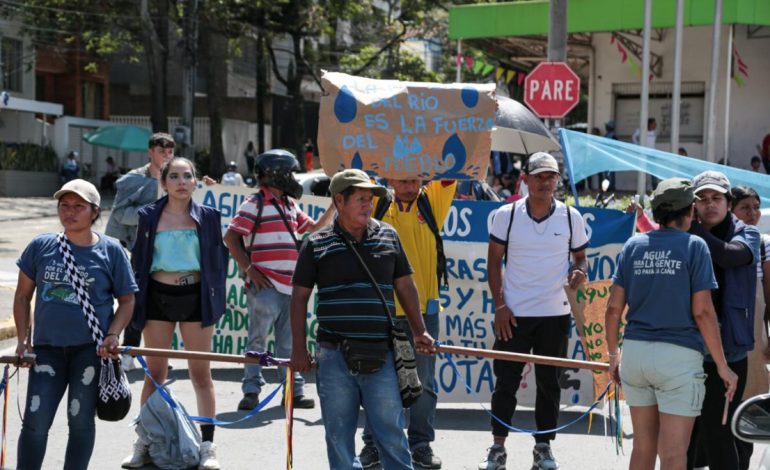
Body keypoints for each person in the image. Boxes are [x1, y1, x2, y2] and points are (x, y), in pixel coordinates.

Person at [290, 169, 437, 470]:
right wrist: (297, 349)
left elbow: (405, 285)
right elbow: (299, 297)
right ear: (339, 200)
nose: (368, 205)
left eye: (370, 199)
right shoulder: (316, 243)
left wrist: (420, 331)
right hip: (332, 355)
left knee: (392, 434)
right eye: (361, 199)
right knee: (338, 436)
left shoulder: (388, 235)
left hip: (381, 353)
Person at [606, 177, 738, 470]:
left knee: (642, 448)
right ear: (691, 210)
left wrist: (613, 357)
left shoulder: (632, 246)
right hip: (678, 359)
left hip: (635, 355)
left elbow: (614, 308)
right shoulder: (695, 246)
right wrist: (722, 365)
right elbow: (703, 313)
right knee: (674, 454)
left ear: (655, 213)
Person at [14, 179, 138, 470]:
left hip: (90, 352)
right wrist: (22, 340)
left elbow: (128, 301)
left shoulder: (112, 251)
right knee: (35, 421)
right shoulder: (40, 246)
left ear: (95, 212)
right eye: (64, 206)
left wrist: (113, 335)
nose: (69, 212)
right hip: (46, 351)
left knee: (80, 421)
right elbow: (22, 297)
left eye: (79, 207)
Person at [480, 152, 589, 470]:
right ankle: (497, 447)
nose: (545, 182)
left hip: (556, 315)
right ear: (524, 179)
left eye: (551, 176)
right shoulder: (506, 214)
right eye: (539, 176)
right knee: (505, 382)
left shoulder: (571, 217)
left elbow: (580, 257)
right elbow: (493, 263)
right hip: (513, 314)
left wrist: (579, 270)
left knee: (550, 383)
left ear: (558, 181)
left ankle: (544, 447)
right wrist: (500, 305)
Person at [122, 157, 228, 470]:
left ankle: (207, 447)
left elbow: (221, 257)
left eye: (187, 176)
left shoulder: (209, 217)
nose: (181, 181)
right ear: (164, 182)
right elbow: (139, 261)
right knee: (155, 375)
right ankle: (144, 442)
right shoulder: (148, 215)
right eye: (174, 176)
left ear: (196, 181)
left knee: (200, 374)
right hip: (157, 298)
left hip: (196, 298)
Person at [223, 150, 336, 411]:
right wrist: (249, 268)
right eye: (291, 173)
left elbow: (314, 228)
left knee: (290, 341)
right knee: (257, 340)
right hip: (267, 285)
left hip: (292, 286)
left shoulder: (289, 204)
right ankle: (251, 390)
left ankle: (292, 390)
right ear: (279, 174)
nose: (294, 178)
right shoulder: (255, 203)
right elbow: (231, 237)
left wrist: (333, 206)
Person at [358, 178, 456, 469]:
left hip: (424, 311)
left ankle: (421, 445)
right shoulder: (378, 200)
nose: (411, 185)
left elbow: (453, 165)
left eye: (415, 178)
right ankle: (373, 444)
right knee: (379, 380)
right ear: (390, 177)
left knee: (423, 383)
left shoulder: (432, 199)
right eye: (403, 178)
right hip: (382, 308)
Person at [686, 171, 761, 470]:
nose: (709, 205)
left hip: (729, 351)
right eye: (701, 200)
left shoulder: (748, 233)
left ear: (729, 203)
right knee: (688, 435)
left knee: (718, 432)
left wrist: (693, 229)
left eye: (716, 198)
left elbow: (730, 256)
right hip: (689, 348)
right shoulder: (686, 233)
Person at [105, 132, 175, 372]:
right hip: (141, 250)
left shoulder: (178, 176)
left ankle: (161, 354)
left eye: (170, 152)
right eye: (161, 151)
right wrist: (151, 212)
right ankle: (129, 351)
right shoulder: (134, 180)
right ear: (150, 152)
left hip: (173, 251)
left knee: (168, 301)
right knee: (137, 300)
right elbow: (120, 214)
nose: (166, 156)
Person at [729, 186, 770, 464]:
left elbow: (769, 294)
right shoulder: (719, 241)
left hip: (753, 334)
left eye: (756, 206)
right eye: (745, 207)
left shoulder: (765, 243)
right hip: (719, 332)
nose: (753, 213)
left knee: (748, 403)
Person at [633, 118, 659, 189]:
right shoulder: (641, 130)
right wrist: (638, 145)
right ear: (650, 124)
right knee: (643, 173)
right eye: (654, 123)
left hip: (652, 155)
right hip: (643, 155)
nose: (655, 125)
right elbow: (634, 137)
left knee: (653, 173)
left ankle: (655, 188)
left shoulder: (654, 132)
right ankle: (642, 188)